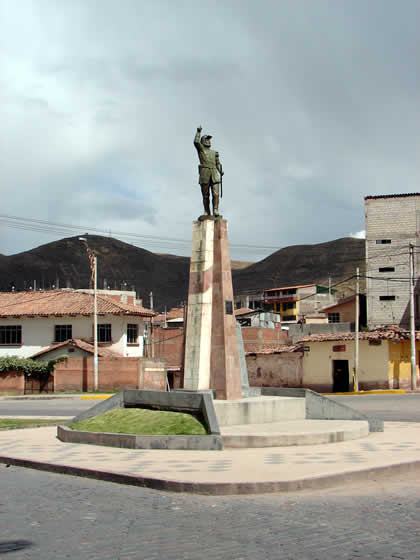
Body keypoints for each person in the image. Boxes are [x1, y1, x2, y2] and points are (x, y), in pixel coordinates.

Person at [193, 126, 224, 216]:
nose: (209, 141)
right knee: (205, 195)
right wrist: (198, 132)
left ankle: (215, 210)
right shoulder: (201, 149)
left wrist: (220, 171)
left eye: (209, 140)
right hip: (205, 172)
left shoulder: (215, 153)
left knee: (216, 193)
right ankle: (207, 211)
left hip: (214, 173)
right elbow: (196, 142)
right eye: (206, 139)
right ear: (203, 141)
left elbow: (217, 163)